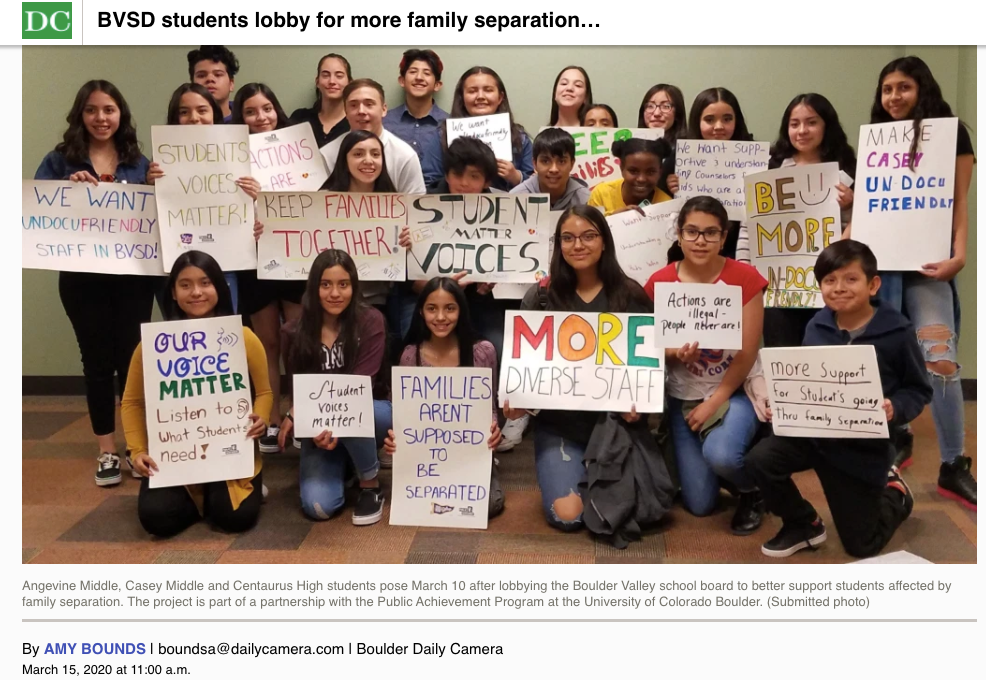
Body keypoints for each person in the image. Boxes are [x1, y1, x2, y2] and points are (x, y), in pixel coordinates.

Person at [747, 240, 933, 557]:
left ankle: (896, 493)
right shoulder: (816, 327)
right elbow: (807, 383)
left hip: (860, 447)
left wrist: (895, 407)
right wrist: (783, 403)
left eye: (850, 279)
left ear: (873, 284)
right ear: (820, 287)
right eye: (829, 281)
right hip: (814, 437)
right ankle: (803, 523)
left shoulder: (897, 332)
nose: (839, 288)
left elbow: (919, 389)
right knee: (760, 459)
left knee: (862, 545)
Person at [34, 79, 159, 487]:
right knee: (96, 363)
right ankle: (106, 449)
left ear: (120, 114)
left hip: (132, 278)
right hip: (81, 280)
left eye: (108, 110)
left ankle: (134, 446)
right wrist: (64, 191)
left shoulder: (138, 162)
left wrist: (158, 187)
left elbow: (159, 216)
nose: (101, 118)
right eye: (92, 110)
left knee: (132, 360)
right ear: (80, 115)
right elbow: (36, 208)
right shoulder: (59, 162)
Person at [867, 56, 976, 508]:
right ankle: (899, 438)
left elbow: (958, 204)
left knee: (940, 359)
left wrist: (960, 255)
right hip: (884, 266)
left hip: (929, 267)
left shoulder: (953, 135)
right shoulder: (877, 140)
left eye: (903, 88)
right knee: (883, 356)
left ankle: (954, 464)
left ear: (922, 89)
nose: (894, 97)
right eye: (887, 89)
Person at [503, 205, 652, 530]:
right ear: (558, 245)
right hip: (560, 429)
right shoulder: (541, 296)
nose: (578, 245)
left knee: (630, 513)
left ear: (604, 241)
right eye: (568, 238)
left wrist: (640, 405)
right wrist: (518, 403)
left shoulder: (630, 295)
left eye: (588, 236)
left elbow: (648, 370)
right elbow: (525, 370)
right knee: (568, 517)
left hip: (615, 427)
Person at [121, 251, 272, 537]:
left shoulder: (243, 336)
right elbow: (132, 402)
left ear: (219, 287)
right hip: (175, 452)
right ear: (174, 294)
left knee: (235, 519)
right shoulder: (153, 345)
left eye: (205, 283)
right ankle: (204, 502)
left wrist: (261, 418)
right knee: (155, 520)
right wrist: (138, 450)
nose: (196, 292)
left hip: (229, 452)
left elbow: (264, 391)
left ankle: (221, 497)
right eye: (185, 285)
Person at [644, 196, 767, 534]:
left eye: (711, 233)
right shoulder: (659, 283)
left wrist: (716, 400)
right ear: (679, 234)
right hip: (683, 396)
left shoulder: (745, 278)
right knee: (699, 504)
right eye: (692, 232)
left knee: (723, 455)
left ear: (724, 237)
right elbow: (647, 344)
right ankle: (712, 456)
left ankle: (753, 488)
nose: (701, 241)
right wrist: (673, 354)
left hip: (734, 388)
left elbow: (747, 351)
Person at [278, 250, 393, 524]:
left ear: (354, 286)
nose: (335, 293)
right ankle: (345, 464)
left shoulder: (370, 321)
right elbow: (300, 393)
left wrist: (300, 415)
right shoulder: (293, 332)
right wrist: (307, 425)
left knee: (356, 408)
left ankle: (370, 484)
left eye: (343, 284)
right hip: (321, 426)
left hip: (371, 413)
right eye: (326, 284)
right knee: (318, 506)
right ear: (314, 288)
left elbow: (358, 388)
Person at [382, 277, 504, 518]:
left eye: (450, 308)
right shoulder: (410, 356)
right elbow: (402, 415)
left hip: (469, 455)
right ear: (420, 312)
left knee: (487, 506)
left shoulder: (482, 352)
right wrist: (395, 439)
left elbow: (490, 408)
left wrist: (493, 431)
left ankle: (490, 469)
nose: (440, 317)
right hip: (424, 461)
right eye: (431, 309)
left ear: (461, 310)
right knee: (415, 505)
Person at [231, 83, 304, 454]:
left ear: (277, 109)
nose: (261, 117)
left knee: (295, 339)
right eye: (251, 111)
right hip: (251, 258)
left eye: (267, 109)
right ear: (238, 116)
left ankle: (300, 412)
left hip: (293, 254)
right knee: (266, 343)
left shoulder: (298, 150)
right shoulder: (227, 156)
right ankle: (272, 418)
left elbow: (312, 200)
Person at [150, 83, 260, 313]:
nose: (194, 118)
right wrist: (150, 185)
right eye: (184, 112)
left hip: (226, 259)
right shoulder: (161, 160)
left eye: (202, 110)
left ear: (214, 114)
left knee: (225, 330)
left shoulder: (239, 153)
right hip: (175, 263)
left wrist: (254, 195)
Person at [763, 93, 858, 348]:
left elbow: (864, 226)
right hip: (780, 286)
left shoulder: (848, 170)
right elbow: (753, 226)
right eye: (794, 124)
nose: (802, 130)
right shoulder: (770, 168)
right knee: (782, 355)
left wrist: (851, 205)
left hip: (831, 281)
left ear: (826, 125)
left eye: (811, 122)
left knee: (826, 357)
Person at [666, 87, 754, 261]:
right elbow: (662, 214)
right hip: (690, 254)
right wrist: (670, 189)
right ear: (697, 121)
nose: (719, 126)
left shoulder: (755, 158)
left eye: (727, 119)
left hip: (739, 252)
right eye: (709, 120)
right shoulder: (677, 158)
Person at [420, 66, 534, 191]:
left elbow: (537, 186)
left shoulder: (520, 139)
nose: (480, 96)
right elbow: (429, 182)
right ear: (462, 98)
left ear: (500, 97)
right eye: (472, 91)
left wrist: (516, 177)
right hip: (452, 207)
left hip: (507, 208)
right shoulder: (443, 135)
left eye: (488, 90)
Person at [319, 79, 426, 194]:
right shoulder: (326, 155)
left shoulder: (405, 156)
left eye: (369, 104)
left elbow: (416, 208)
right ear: (345, 111)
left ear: (384, 109)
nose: (361, 111)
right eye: (353, 105)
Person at [383, 49, 448, 161]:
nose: (419, 77)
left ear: (437, 85)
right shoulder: (384, 122)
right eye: (413, 72)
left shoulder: (449, 124)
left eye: (427, 73)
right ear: (402, 81)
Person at [587, 137, 673, 215]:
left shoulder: (666, 204)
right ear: (622, 168)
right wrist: (613, 217)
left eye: (650, 172)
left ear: (660, 172)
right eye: (633, 171)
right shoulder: (601, 194)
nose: (641, 179)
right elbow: (589, 226)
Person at [511, 127, 590, 210]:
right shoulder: (515, 198)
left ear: (572, 164)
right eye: (545, 161)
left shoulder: (586, 200)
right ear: (534, 164)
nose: (554, 169)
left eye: (562, 161)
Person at [290, 53, 352, 148]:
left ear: (349, 83)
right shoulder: (300, 118)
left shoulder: (355, 122)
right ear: (317, 82)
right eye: (325, 75)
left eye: (339, 76)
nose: (332, 81)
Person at [637, 84, 687, 195]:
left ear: (677, 113)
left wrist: (682, 185)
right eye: (650, 106)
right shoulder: (631, 146)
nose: (657, 113)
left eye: (666, 106)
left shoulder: (687, 153)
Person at [187, 45, 238, 122]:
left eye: (218, 74)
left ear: (231, 84)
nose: (210, 79)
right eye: (201, 75)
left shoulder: (247, 118)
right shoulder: (184, 120)